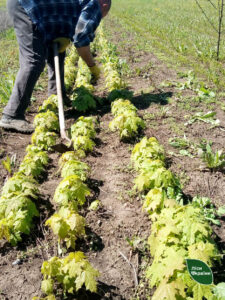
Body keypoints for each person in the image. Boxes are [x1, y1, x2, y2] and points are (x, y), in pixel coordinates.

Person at [0, 0, 111, 133]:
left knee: (58, 50)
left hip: (41, 11)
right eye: (104, 14)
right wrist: (92, 66)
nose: (101, 17)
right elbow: (81, 39)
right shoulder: (94, 4)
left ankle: (57, 96)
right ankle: (12, 115)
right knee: (34, 60)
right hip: (26, 6)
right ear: (104, 6)